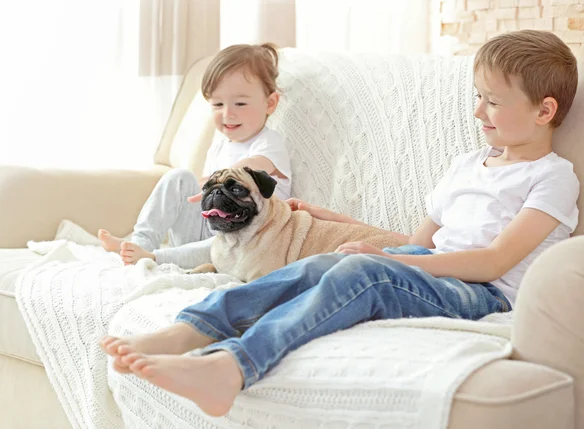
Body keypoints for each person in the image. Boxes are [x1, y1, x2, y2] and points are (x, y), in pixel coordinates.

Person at [101, 30, 580, 417]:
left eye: (492, 101)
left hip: (481, 291)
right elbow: (411, 244)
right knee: (328, 262)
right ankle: (189, 331)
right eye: (478, 97)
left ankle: (231, 368)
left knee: (358, 273)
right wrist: (345, 224)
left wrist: (391, 260)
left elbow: (495, 260)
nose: (478, 111)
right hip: (429, 267)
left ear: (544, 110)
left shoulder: (552, 178)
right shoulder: (466, 165)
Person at [98, 43, 292, 268]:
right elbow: (204, 187)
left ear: (270, 103)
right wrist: (193, 188)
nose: (228, 113)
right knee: (179, 177)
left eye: (240, 103)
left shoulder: (269, 143)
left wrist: (215, 183)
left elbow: (248, 170)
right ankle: (140, 244)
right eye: (217, 104)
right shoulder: (220, 145)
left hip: (247, 241)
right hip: (210, 230)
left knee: (217, 240)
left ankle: (154, 258)